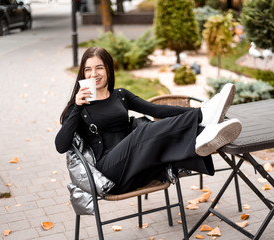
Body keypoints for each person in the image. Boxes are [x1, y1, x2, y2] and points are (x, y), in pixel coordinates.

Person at [55, 47, 242, 194]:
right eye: (88, 69)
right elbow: (61, 145)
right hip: (111, 173)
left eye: (99, 67)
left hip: (138, 166)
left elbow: (157, 110)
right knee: (143, 131)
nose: (93, 74)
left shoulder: (120, 95)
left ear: (109, 70)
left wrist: (192, 111)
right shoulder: (79, 107)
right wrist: (77, 107)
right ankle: (201, 124)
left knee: (149, 128)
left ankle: (201, 128)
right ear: (82, 74)